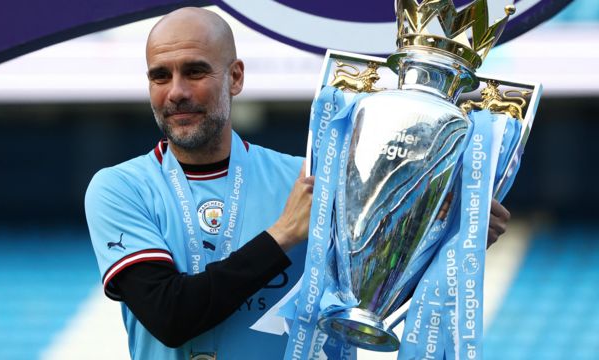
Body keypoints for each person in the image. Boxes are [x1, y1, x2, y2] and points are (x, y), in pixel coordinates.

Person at [85, 7, 511, 360]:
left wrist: (447, 242)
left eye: (194, 71)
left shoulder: (309, 179)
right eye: (160, 76)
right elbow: (171, 316)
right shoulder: (120, 189)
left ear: (235, 77)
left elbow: (361, 299)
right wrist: (283, 235)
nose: (175, 91)